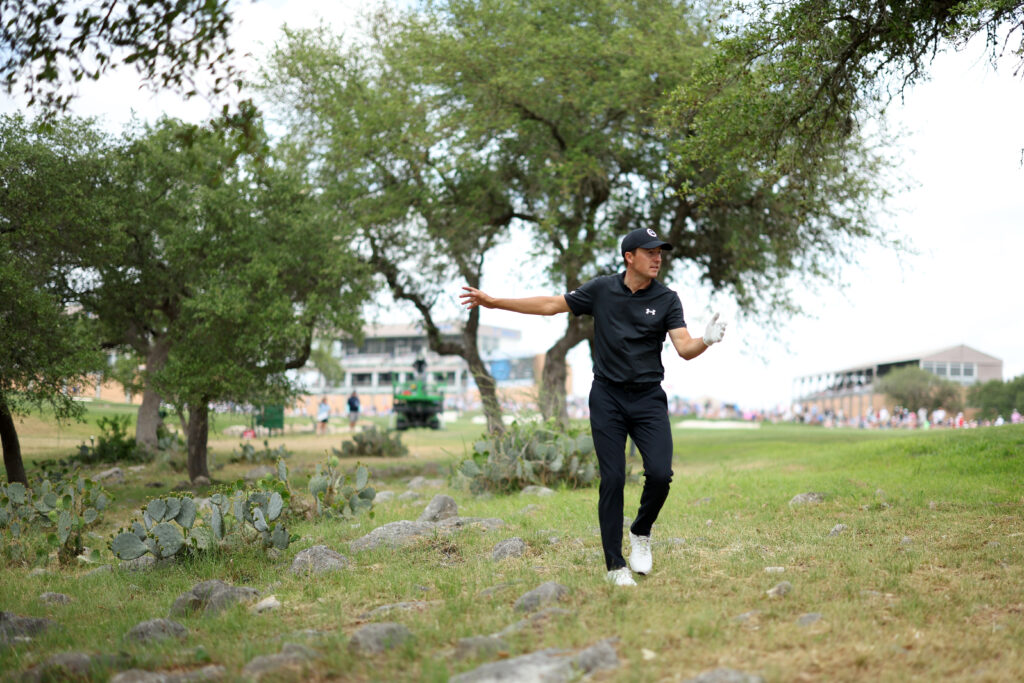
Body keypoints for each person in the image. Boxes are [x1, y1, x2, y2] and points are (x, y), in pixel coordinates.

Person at [460, 227, 727, 587]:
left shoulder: (667, 299)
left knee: (661, 475)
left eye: (660, 252)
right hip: (608, 398)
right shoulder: (602, 290)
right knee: (613, 478)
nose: (658, 258)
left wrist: (706, 341)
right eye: (650, 252)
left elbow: (684, 347)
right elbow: (551, 305)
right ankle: (615, 566)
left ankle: (641, 532)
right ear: (629, 257)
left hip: (648, 399)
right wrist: (496, 303)